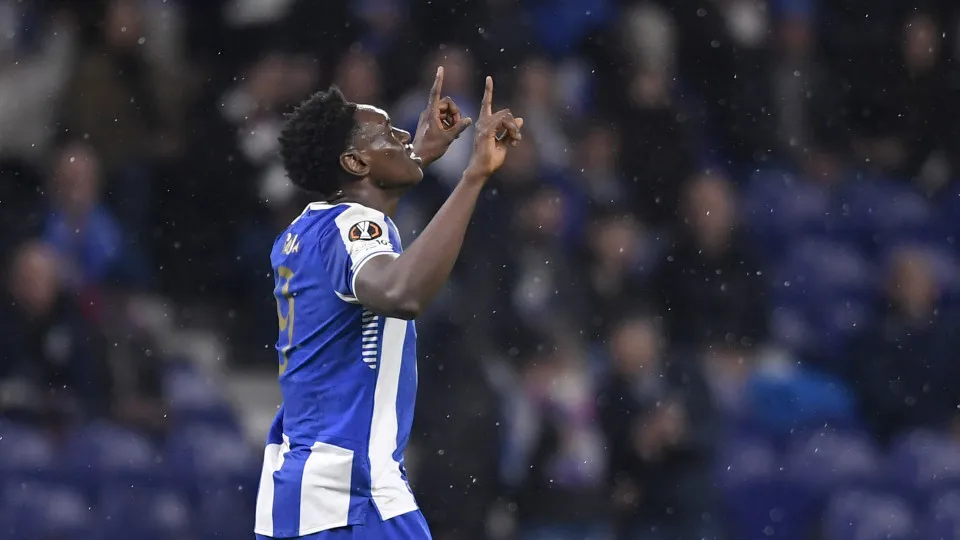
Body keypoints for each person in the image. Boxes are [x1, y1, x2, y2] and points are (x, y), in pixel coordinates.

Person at [253, 68, 523, 540]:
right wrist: (474, 175)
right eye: (387, 132)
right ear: (355, 162)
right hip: (353, 494)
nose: (404, 135)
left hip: (299, 493)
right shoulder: (357, 226)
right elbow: (402, 292)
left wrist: (415, 156)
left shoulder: (302, 233)